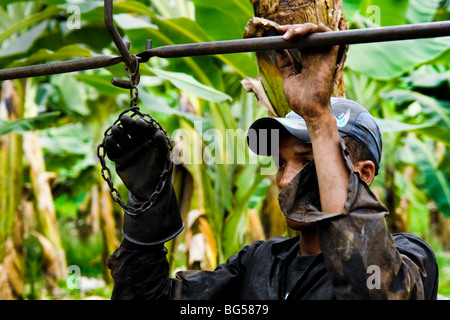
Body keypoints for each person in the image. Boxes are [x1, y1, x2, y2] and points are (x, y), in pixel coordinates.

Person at [104, 23, 438, 300]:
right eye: (280, 163)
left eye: (308, 163)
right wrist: (147, 206)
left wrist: (319, 120)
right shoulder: (259, 263)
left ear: (363, 175)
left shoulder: (409, 259)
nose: (283, 180)